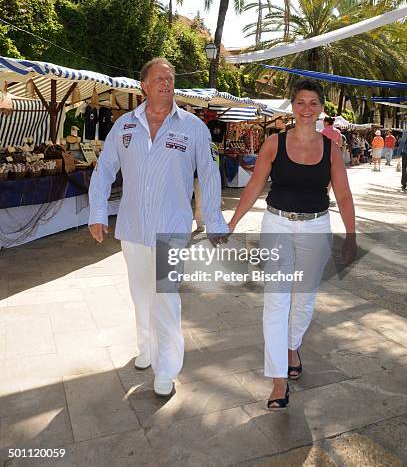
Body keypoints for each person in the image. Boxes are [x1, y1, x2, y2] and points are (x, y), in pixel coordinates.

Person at [88, 58, 228, 397]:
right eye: (159, 78)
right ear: (144, 86)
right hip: (133, 227)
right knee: (140, 296)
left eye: (170, 78)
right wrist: (96, 212)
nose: (166, 82)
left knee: (165, 298)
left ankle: (166, 368)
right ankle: (146, 348)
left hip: (172, 229)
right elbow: (104, 168)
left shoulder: (193, 127)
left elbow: (209, 175)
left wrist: (214, 220)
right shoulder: (124, 126)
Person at [228, 78, 356, 411]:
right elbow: (255, 185)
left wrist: (351, 234)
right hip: (277, 224)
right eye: (300, 102)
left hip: (316, 227)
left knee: (304, 298)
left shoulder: (331, 149)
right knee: (276, 301)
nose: (306, 109)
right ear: (292, 105)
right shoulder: (273, 143)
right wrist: (232, 222)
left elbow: (342, 193)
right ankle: (278, 380)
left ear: (321, 108)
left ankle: (291, 345)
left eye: (313, 103)